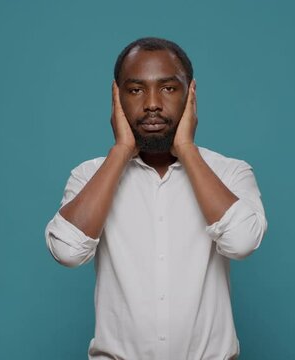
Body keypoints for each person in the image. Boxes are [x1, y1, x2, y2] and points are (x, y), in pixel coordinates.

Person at [45, 37, 267, 359]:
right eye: (135, 90)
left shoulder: (231, 172)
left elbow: (242, 242)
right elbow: (66, 251)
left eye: (168, 88)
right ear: (116, 98)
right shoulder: (88, 176)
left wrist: (187, 150)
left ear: (191, 94)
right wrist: (121, 151)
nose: (152, 103)